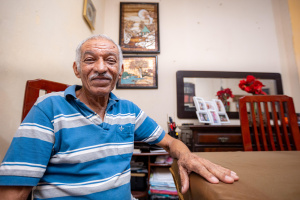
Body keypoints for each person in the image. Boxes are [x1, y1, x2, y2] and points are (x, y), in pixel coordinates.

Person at [0, 34, 239, 200]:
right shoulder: (49, 107)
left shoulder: (128, 110)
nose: (102, 68)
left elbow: (170, 141)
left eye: (111, 61)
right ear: (76, 69)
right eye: (90, 59)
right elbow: (14, 192)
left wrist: (186, 156)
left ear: (120, 71)